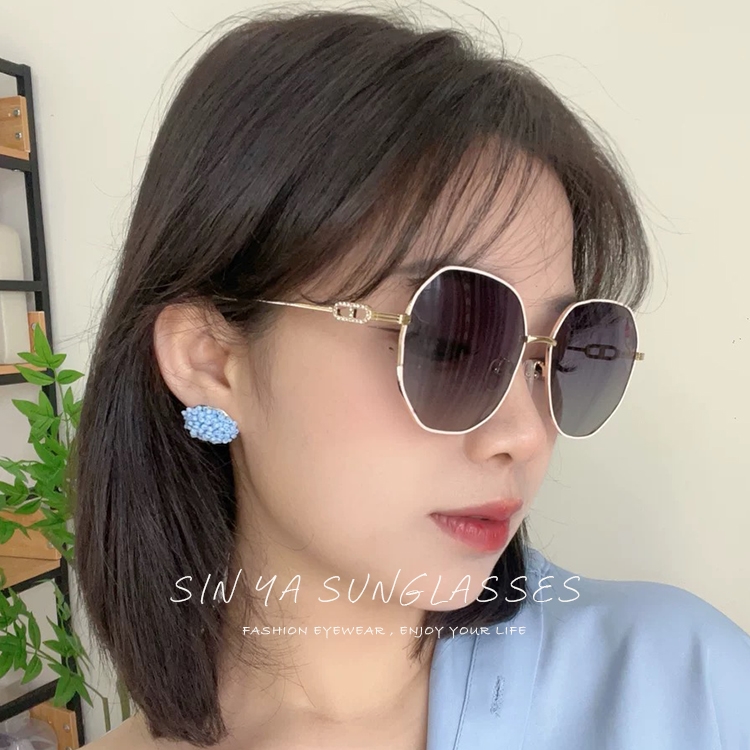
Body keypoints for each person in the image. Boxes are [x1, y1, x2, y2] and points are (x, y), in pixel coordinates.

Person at [71, 8, 750, 750]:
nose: (526, 434)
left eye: (559, 354)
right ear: (210, 359)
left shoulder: (687, 687)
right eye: (450, 340)